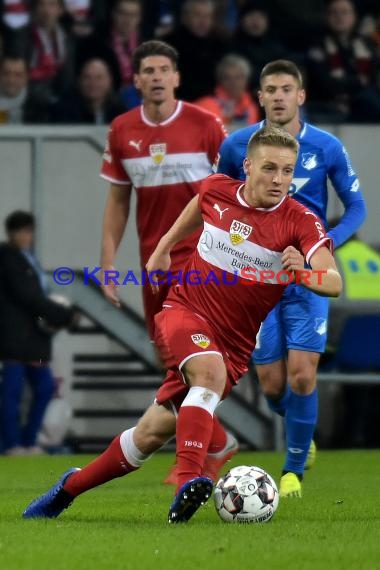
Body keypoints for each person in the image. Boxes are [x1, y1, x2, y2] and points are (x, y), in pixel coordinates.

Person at [22, 126, 342, 523]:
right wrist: (163, 248)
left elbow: (333, 282)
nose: (278, 179)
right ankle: (187, 482)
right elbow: (197, 206)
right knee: (207, 374)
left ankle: (68, 489)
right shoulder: (217, 189)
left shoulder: (299, 221)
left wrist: (302, 275)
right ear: (248, 166)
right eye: (270, 168)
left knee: (149, 435)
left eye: (287, 171)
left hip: (234, 345)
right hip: (184, 311)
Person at [217, 59, 367, 498]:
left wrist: (323, 244)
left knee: (303, 376)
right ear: (259, 97)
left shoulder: (327, 147)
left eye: (288, 89)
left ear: (301, 96)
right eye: (271, 90)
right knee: (273, 386)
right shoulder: (236, 146)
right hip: (256, 276)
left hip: (306, 276)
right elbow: (218, 201)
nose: (279, 96)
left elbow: (357, 207)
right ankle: (302, 429)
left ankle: (292, 472)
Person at [99, 39, 235, 484]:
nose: (156, 77)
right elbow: (119, 201)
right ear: (135, 79)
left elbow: (232, 189)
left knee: (187, 357)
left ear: (177, 77)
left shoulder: (207, 125)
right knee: (169, 360)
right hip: (151, 260)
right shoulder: (121, 130)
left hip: (201, 260)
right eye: (148, 70)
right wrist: (107, 263)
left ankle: (197, 457)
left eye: (164, 69)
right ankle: (215, 442)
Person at [0, 211, 76, 455]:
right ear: (12, 233)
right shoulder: (8, 259)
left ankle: (29, 441)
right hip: (14, 338)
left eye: (30, 231)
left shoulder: (27, 259)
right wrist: (62, 314)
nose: (28, 236)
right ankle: (12, 444)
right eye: (23, 231)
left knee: (43, 388)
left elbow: (36, 297)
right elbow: (29, 298)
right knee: (12, 393)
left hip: (34, 339)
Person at [194, 53, 260, 132]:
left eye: (238, 77)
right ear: (220, 81)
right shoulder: (205, 105)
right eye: (227, 78)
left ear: (247, 80)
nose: (234, 83)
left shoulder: (251, 108)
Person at [51, 57, 126, 124]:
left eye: (99, 78)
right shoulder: (64, 112)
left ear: (110, 81)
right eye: (87, 77)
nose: (93, 83)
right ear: (79, 81)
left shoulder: (121, 114)